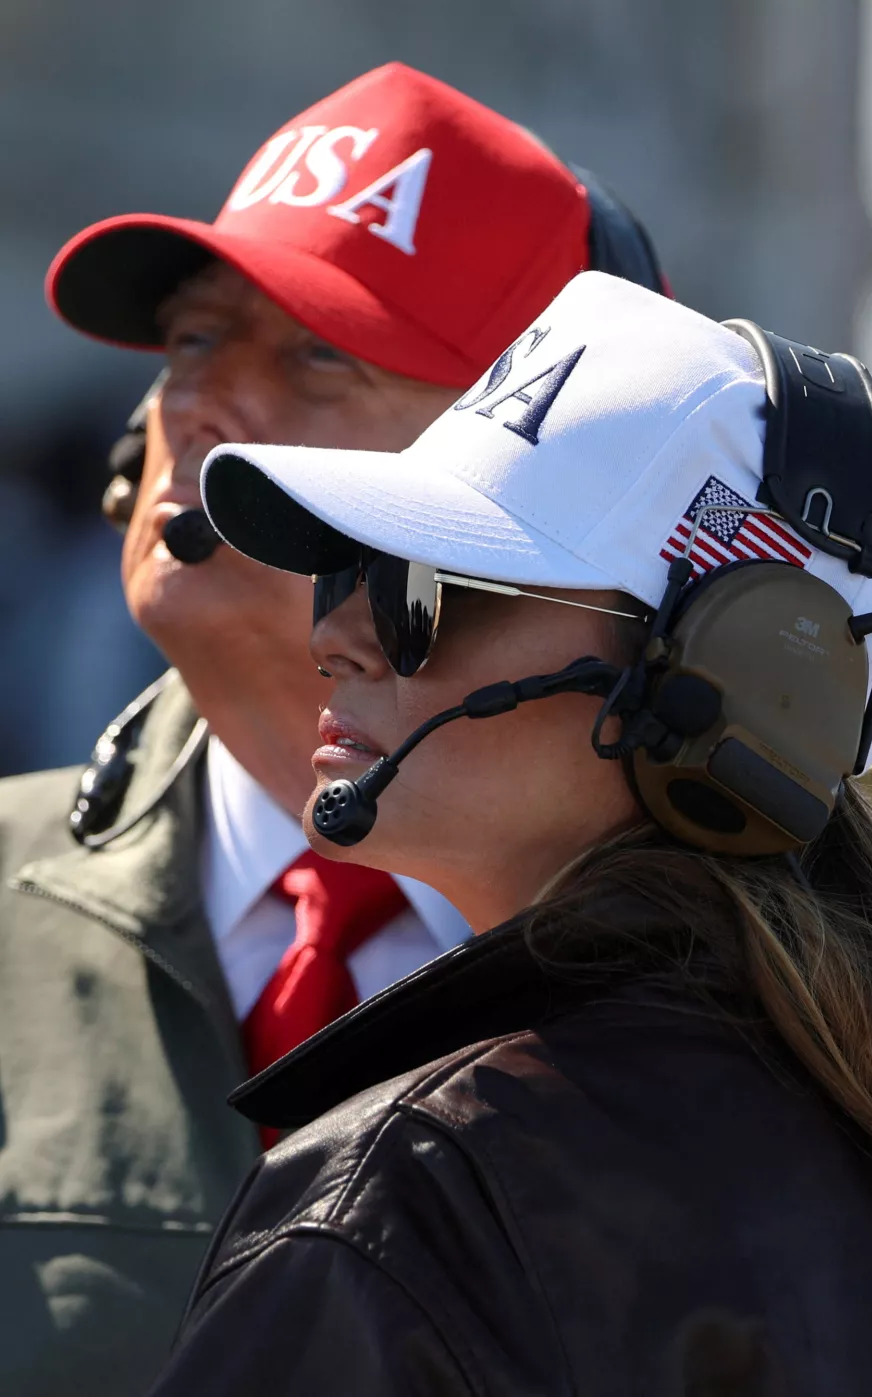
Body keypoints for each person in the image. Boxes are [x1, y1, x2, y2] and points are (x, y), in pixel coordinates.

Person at [150, 270, 872, 1395]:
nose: (340, 634)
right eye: (344, 569)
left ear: (732, 676)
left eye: (423, 583)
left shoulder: (413, 1196)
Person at [0, 65, 668, 1397]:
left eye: (319, 352)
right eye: (192, 340)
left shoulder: (719, 996)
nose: (197, 404)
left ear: (532, 491)